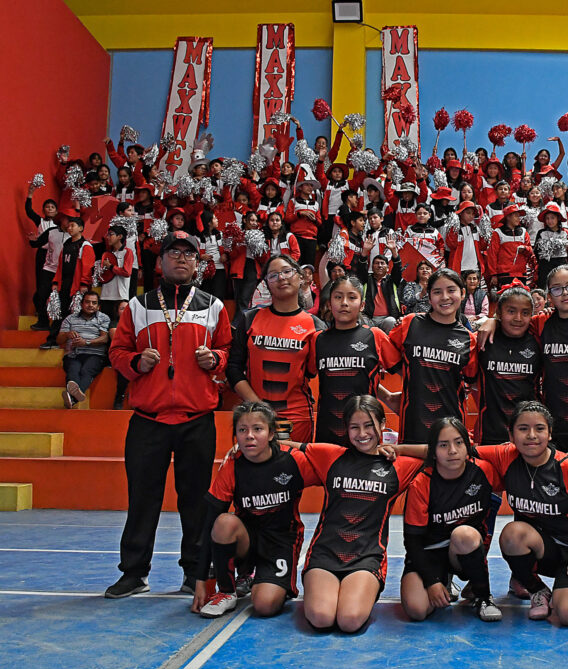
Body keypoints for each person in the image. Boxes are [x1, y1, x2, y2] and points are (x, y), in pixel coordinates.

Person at [105, 231, 233, 599]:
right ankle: (133, 572)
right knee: (142, 498)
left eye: (188, 254)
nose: (181, 259)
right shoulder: (138, 306)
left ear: (198, 264)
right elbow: (117, 352)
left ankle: (194, 573)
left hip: (197, 418)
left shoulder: (214, 306)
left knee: (195, 500)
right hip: (149, 419)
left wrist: (217, 360)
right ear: (160, 262)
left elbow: (227, 349)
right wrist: (135, 362)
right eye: (173, 253)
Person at [477, 402, 568, 627]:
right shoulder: (506, 456)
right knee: (512, 534)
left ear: (550, 434)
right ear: (510, 434)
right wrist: (400, 450)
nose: (531, 435)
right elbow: (457, 449)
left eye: (539, 429)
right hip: (543, 548)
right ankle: (537, 589)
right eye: (523, 429)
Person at [301, 395, 424, 633]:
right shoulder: (331, 456)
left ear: (382, 424)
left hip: (367, 557)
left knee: (350, 620)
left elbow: (438, 450)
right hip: (325, 554)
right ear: (346, 429)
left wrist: (396, 448)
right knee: (320, 617)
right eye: (354, 427)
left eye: (369, 425)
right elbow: (286, 446)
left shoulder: (397, 464)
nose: (362, 433)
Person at [190, 402, 319, 618]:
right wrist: (200, 581)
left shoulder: (292, 461)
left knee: (264, 606)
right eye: (242, 430)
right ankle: (228, 591)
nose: (249, 436)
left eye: (257, 429)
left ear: (271, 434)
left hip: (281, 541)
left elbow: (332, 471)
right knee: (223, 522)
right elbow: (209, 522)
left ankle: (266, 581)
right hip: (247, 540)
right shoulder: (232, 464)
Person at [399, 417, 504, 623]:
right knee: (417, 610)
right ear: (433, 451)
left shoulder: (483, 470)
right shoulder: (421, 483)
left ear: (468, 446)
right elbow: (412, 542)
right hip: (429, 554)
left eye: (458, 443)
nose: (452, 451)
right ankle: (444, 580)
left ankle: (483, 596)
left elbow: (528, 466)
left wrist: (566, 457)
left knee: (464, 534)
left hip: (462, 549)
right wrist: (432, 582)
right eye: (443, 445)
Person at [227, 254, 327, 443]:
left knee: (295, 471)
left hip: (297, 419)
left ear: (300, 276)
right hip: (255, 417)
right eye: (272, 275)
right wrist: (258, 407)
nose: (281, 278)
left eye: (287, 271)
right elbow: (233, 368)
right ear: (265, 284)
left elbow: (318, 372)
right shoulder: (249, 319)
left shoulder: (316, 326)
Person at [387, 268, 478, 443]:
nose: (444, 297)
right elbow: (380, 353)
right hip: (412, 427)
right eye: (437, 292)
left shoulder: (469, 339)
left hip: (452, 428)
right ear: (429, 296)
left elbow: (475, 386)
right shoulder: (409, 323)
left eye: (451, 290)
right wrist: (386, 395)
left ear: (463, 293)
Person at [310, 276, 400, 445]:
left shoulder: (375, 336)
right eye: (338, 297)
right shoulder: (317, 340)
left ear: (362, 305)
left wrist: (388, 397)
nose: (344, 303)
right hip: (326, 433)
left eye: (352, 297)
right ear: (329, 304)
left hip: (365, 435)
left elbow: (407, 372)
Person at [474, 283, 541, 445]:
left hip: (528, 436)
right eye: (511, 311)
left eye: (525, 313)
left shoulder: (539, 341)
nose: (518, 318)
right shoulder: (483, 340)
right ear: (499, 312)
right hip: (489, 434)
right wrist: (492, 321)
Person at [42, 216, 94, 350]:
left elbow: (87, 267)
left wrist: (83, 284)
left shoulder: (85, 246)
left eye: (73, 226)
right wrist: (55, 282)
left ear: (81, 228)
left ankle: (75, 343)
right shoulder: (66, 244)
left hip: (77, 286)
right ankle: (52, 340)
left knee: (75, 315)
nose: (69, 228)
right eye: (69, 226)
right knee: (59, 313)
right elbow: (60, 265)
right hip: (64, 284)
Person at [58, 291, 110, 409]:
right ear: (81, 304)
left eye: (94, 303)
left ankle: (71, 399)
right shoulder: (70, 319)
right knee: (73, 369)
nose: (90, 305)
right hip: (73, 354)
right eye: (87, 302)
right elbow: (59, 340)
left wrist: (86, 342)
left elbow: (105, 338)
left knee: (86, 370)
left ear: (98, 306)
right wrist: (67, 334)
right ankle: (73, 398)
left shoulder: (103, 318)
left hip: (95, 355)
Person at [25, 185, 65, 331]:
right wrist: (30, 194)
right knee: (41, 288)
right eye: (47, 207)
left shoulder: (66, 229)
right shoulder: (43, 225)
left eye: (52, 207)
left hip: (60, 261)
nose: (49, 209)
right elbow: (29, 212)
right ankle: (41, 315)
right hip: (44, 257)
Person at [352, 234, 403, 333]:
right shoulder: (367, 279)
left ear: (388, 268)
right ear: (372, 267)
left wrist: (394, 251)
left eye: (382, 263)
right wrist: (365, 252)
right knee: (359, 319)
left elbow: (397, 268)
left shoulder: (392, 280)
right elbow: (361, 268)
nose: (379, 265)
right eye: (376, 263)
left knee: (392, 321)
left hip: (387, 318)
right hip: (369, 318)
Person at [97, 224, 134, 326]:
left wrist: (111, 267)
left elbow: (127, 272)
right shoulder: (106, 254)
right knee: (104, 324)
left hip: (120, 296)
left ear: (120, 236)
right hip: (105, 295)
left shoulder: (127, 252)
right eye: (107, 235)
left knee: (119, 324)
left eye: (111, 234)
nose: (108, 237)